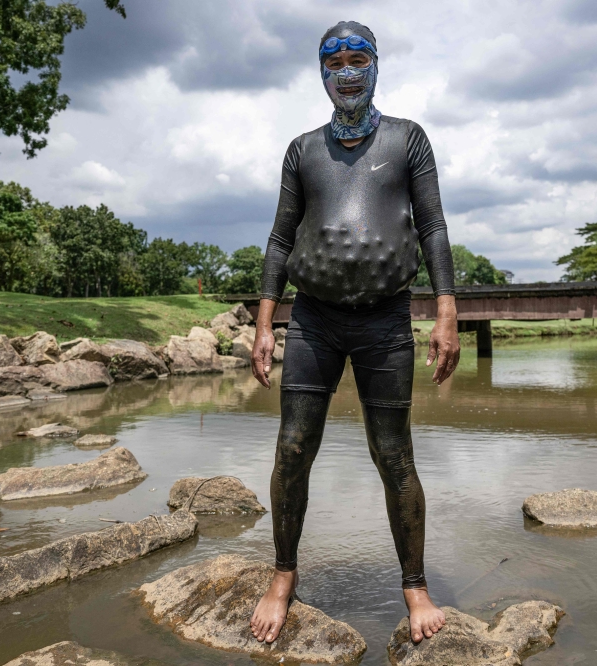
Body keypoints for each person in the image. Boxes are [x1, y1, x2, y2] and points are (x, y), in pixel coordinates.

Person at [249, 20, 460, 647]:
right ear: (321, 72)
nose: (346, 72)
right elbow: (282, 237)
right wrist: (266, 320)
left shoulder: (408, 140)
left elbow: (434, 230)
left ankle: (415, 586)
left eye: (357, 59)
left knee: (393, 453)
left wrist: (447, 311)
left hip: (386, 319)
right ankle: (283, 576)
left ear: (376, 65)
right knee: (292, 448)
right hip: (312, 317)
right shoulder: (302, 150)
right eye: (334, 61)